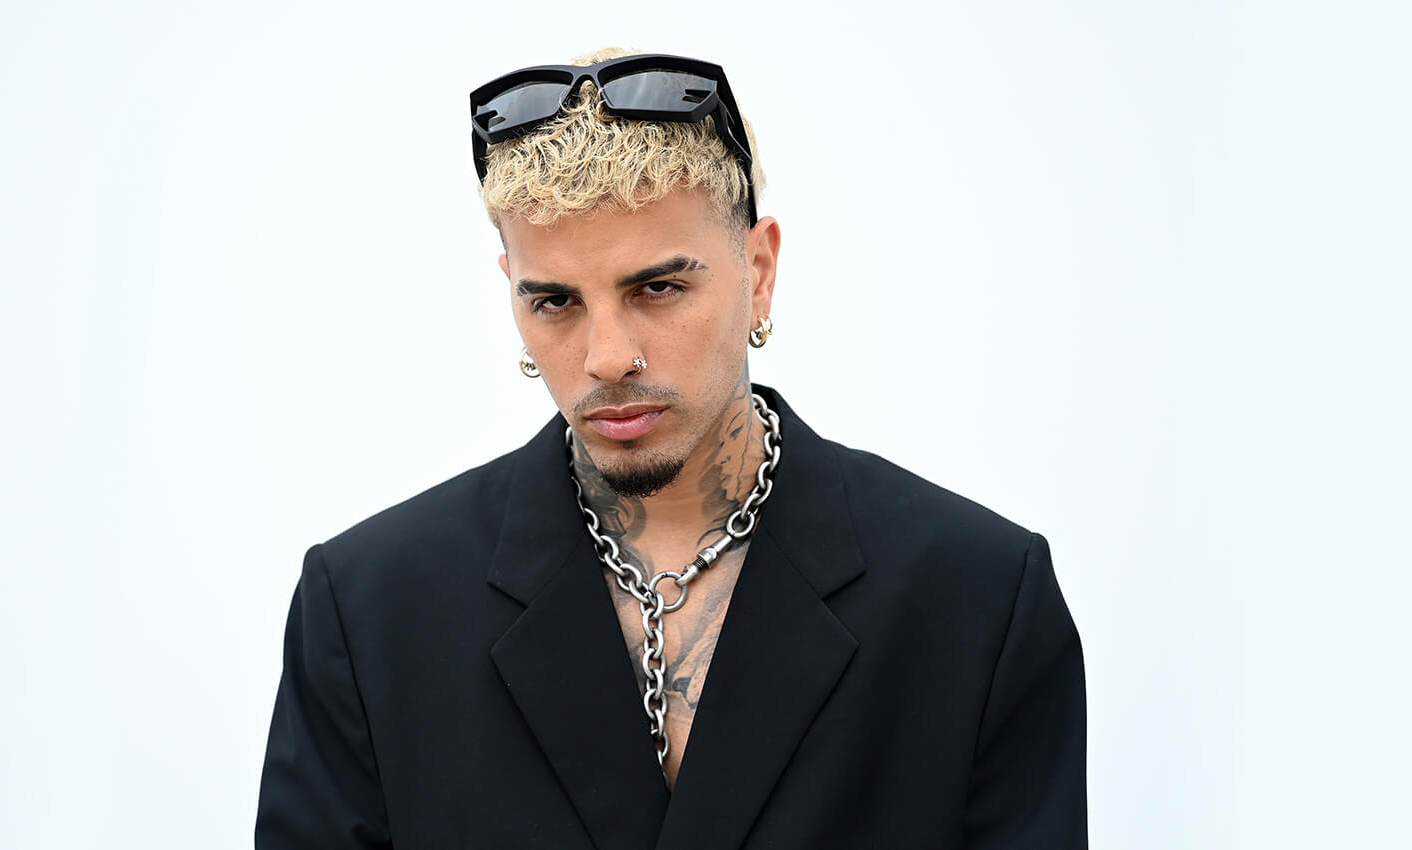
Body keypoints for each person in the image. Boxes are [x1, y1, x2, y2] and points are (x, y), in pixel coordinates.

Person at [255, 47, 1087, 849]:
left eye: (658, 287)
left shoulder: (978, 599)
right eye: (554, 302)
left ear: (759, 271)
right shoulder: (368, 611)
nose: (608, 357)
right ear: (512, 293)